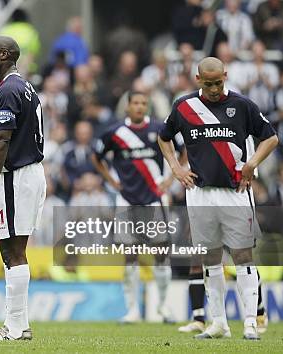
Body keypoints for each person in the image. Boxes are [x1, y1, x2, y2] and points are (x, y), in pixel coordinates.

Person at [158, 57, 278, 340]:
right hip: (200, 193)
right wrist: (176, 168)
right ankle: (219, 323)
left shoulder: (242, 105)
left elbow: (270, 138)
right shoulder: (184, 107)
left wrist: (252, 164)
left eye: (219, 83)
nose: (214, 89)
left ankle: (250, 321)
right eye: (209, 84)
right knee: (210, 258)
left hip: (234, 191)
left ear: (225, 76)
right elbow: (164, 137)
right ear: (199, 79)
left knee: (242, 255)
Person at [0, 36, 46, 340]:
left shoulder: (8, 90)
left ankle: (15, 328)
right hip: (25, 174)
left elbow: (2, 139)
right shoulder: (24, 87)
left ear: (5, 55)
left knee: (13, 251)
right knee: (12, 251)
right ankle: (20, 325)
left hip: (15, 176)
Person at [92, 91, 176, 323]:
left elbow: (182, 151)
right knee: (130, 256)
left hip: (155, 199)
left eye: (143, 103)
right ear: (128, 107)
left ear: (147, 107)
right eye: (136, 103)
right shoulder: (115, 132)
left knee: (161, 254)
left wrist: (170, 180)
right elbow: (96, 157)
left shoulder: (160, 129)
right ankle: (133, 310)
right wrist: (112, 181)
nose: (140, 107)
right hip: (127, 199)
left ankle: (163, 307)